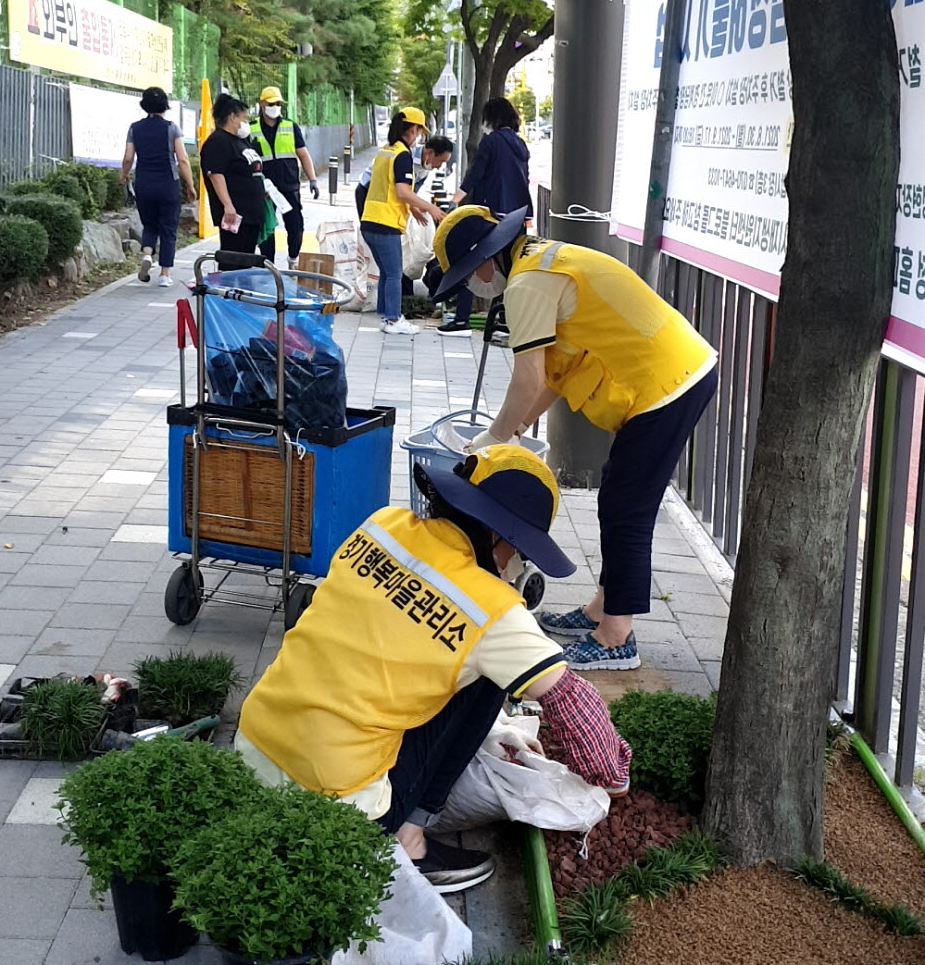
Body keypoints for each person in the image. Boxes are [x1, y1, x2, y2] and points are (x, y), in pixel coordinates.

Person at [234, 444, 631, 893]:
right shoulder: (491, 611)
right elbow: (573, 700)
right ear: (501, 540)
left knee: (457, 662)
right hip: (340, 805)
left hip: (256, 744)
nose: (518, 564)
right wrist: (613, 777)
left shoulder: (382, 525)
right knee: (488, 676)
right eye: (521, 551)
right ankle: (409, 841)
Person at [432, 207, 719, 673]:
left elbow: (526, 379)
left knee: (627, 506)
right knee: (619, 495)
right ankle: (601, 611)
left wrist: (494, 436)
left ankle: (614, 638)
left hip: (668, 382)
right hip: (676, 370)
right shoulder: (543, 260)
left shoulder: (526, 284)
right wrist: (519, 424)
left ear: (483, 260)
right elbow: (554, 376)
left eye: (467, 274)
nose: (472, 285)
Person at [361, 107, 445, 335]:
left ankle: (384, 316)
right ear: (413, 129)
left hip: (370, 219)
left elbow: (386, 188)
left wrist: (413, 209)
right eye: (419, 130)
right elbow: (401, 191)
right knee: (395, 273)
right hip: (385, 222)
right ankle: (393, 319)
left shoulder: (385, 151)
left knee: (386, 272)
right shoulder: (403, 155)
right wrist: (429, 207)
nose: (419, 136)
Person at [119, 87, 195, 289]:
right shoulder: (172, 128)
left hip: (143, 184)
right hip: (168, 184)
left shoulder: (134, 128)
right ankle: (164, 274)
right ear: (165, 105)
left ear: (145, 105)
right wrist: (190, 185)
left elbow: (128, 158)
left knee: (150, 224)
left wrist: (124, 176)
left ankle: (146, 255)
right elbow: (183, 160)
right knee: (168, 228)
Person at [249, 85, 320, 267]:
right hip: (264, 188)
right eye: (272, 103)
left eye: (278, 103)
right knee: (268, 228)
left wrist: (312, 180)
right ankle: (268, 265)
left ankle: (293, 257)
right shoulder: (252, 129)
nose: (275, 106)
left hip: (289, 185)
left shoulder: (290, 126)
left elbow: (303, 154)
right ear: (262, 103)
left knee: (295, 226)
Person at [199, 93, 276, 256]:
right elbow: (215, 175)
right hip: (236, 214)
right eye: (244, 118)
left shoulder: (242, 141)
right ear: (232, 117)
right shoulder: (218, 141)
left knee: (247, 258)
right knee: (233, 258)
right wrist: (228, 205)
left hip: (252, 212)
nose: (246, 122)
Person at [453, 97, 532, 218]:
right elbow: (525, 177)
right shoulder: (520, 143)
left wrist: (457, 198)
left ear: (491, 118)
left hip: (493, 208)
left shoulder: (491, 141)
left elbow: (476, 172)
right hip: (519, 211)